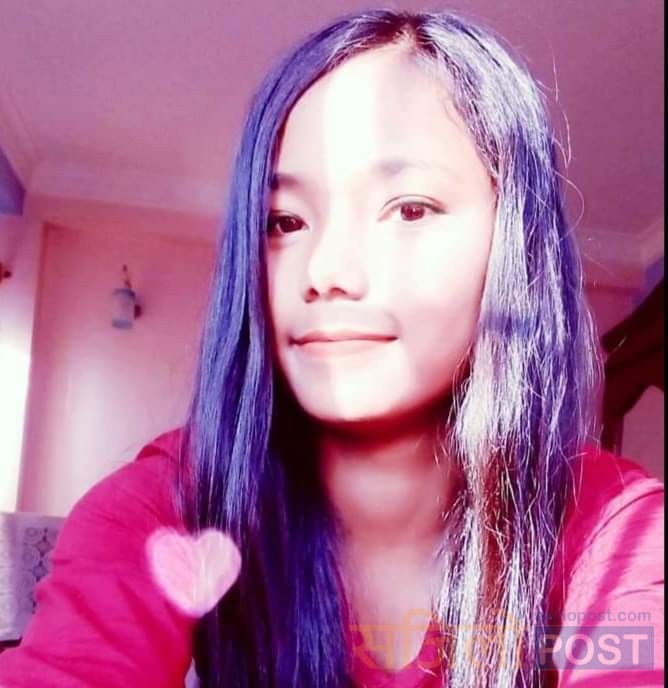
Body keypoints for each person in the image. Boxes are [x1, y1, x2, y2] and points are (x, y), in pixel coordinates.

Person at [0, 8, 663, 688]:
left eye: (409, 209)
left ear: (516, 241)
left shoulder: (614, 528)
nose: (325, 272)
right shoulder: (164, 507)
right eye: (285, 221)